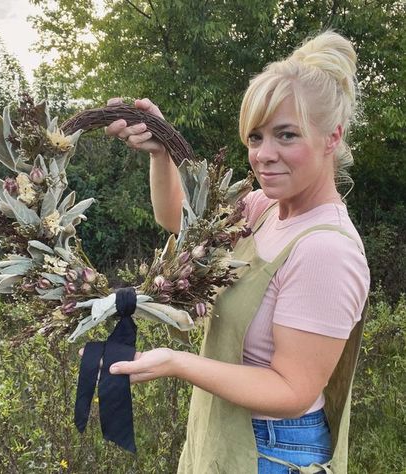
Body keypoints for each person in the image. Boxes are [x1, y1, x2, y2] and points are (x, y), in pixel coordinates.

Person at [101, 31, 370, 473]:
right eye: (255, 136)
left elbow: (292, 391)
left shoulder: (326, 251)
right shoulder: (264, 208)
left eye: (286, 135)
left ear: (332, 137)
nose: (264, 155)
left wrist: (177, 363)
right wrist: (161, 151)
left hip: (274, 451)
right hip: (228, 430)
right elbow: (180, 220)